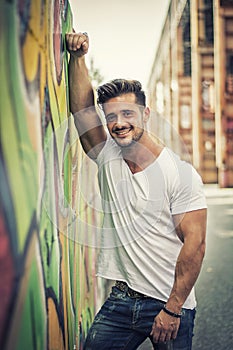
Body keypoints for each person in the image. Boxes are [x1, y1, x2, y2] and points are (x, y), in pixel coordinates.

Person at [65, 31, 207, 350]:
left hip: (171, 305)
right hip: (122, 301)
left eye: (127, 113)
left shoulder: (180, 174)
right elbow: (83, 113)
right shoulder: (107, 157)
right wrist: (78, 57)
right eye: (111, 116)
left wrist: (172, 309)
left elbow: (195, 245)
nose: (118, 123)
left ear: (145, 114)